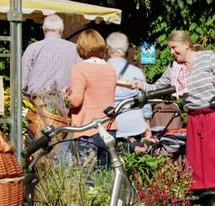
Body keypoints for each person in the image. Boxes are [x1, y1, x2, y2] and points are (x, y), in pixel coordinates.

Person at [121, 30, 215, 206]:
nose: (172, 52)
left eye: (174, 48)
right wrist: (140, 85)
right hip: (196, 118)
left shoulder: (207, 57)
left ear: (186, 44)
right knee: (198, 164)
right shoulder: (174, 69)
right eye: (170, 48)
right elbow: (156, 87)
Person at [66, 29, 118, 165]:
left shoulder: (79, 68)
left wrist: (66, 97)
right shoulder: (110, 68)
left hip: (87, 129)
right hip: (109, 127)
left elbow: (76, 101)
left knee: (87, 179)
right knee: (106, 176)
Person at [107, 32, 152, 147]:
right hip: (134, 125)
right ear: (126, 49)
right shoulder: (136, 72)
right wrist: (147, 125)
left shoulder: (102, 70)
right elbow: (145, 101)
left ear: (108, 49)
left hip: (109, 125)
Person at [22, 14, 82, 97]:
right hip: (65, 101)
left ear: (43, 29)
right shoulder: (74, 49)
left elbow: (23, 81)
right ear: (62, 29)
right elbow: (80, 78)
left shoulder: (33, 48)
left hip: (36, 102)